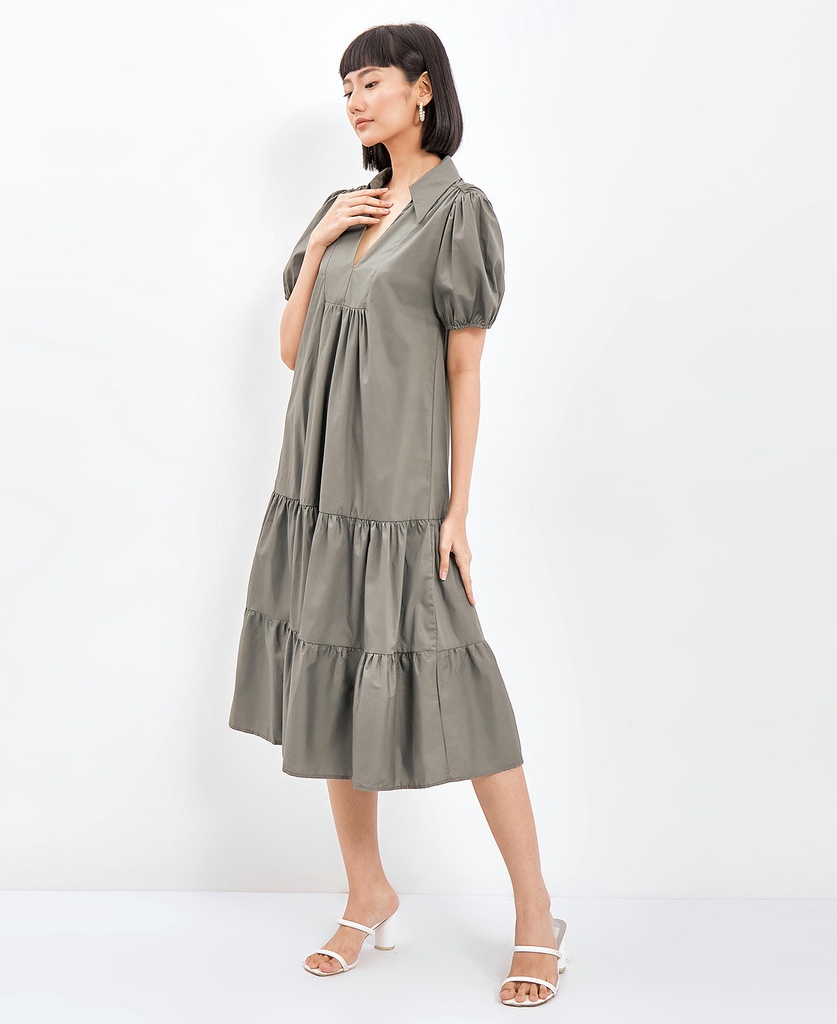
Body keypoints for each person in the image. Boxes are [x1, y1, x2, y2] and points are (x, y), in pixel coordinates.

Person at [228, 22, 566, 1007]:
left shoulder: (460, 212)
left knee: (464, 687)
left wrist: (457, 509)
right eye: (344, 89)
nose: (353, 102)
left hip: (402, 494)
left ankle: (536, 912)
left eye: (369, 82)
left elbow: (465, 368)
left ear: (422, 89)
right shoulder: (343, 208)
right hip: (318, 490)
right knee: (334, 673)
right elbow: (292, 350)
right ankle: (367, 890)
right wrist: (323, 240)